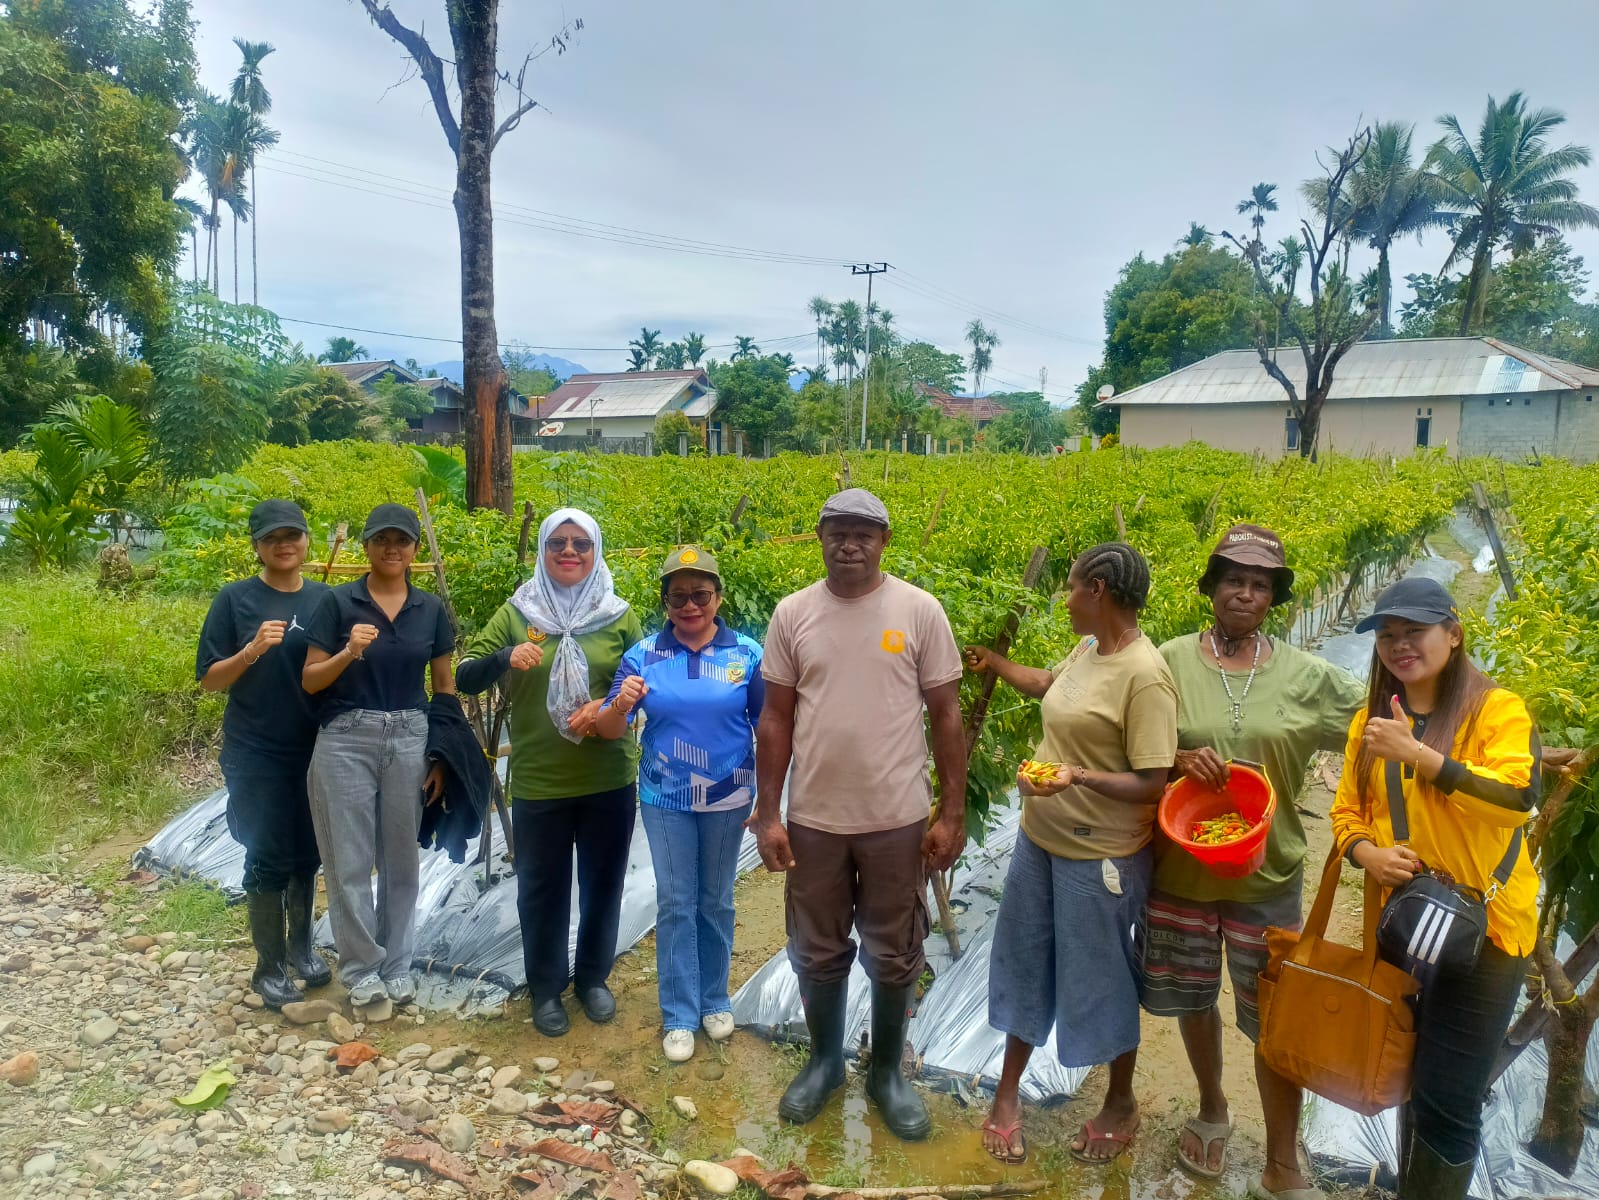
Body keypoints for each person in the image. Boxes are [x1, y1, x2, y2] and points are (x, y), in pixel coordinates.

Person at [1139, 525, 1366, 1194]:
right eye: (1233, 579)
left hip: (1265, 875)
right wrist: (1174, 758)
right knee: (1191, 997)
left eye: (1259, 584)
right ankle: (1211, 1107)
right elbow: (1122, 734)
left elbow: (1376, 725)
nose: (1244, 592)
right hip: (1179, 869)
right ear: (1210, 589)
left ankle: (1281, 1153)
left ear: (1273, 599)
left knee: (1274, 1015)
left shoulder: (1304, 675)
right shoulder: (1167, 662)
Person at [753, 488, 967, 1143]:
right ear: (818, 537)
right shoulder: (794, 614)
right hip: (815, 817)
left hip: (895, 818)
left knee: (895, 947)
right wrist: (768, 813)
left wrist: (950, 813)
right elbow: (775, 716)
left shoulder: (918, 610)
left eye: (863, 534)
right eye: (837, 532)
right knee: (816, 947)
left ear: (884, 540)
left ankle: (885, 1073)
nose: (849, 544)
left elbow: (947, 715)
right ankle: (823, 1063)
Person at [966, 542, 1177, 1167]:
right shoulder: (1089, 649)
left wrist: (1076, 777)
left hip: (1101, 856)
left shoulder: (1146, 675)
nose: (1063, 600)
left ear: (1100, 593)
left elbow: (1152, 781)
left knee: (1100, 977)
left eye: (1071, 588)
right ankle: (1008, 1097)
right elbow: (1047, 688)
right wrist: (996, 663)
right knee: (1025, 961)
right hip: (1041, 841)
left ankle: (1119, 1102)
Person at [1330, 578, 1539, 1200]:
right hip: (1409, 927)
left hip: (1489, 935)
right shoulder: (1369, 724)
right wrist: (1370, 854)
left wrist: (1421, 756)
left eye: (1414, 632)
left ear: (1453, 634)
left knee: (1450, 1100)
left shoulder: (1497, 711)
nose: (1399, 646)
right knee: (1404, 1072)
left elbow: (1515, 802)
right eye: (1387, 635)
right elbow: (1346, 815)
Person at [456, 509, 642, 1037]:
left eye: (581, 544)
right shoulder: (519, 613)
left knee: (603, 883)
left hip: (608, 775)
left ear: (596, 551)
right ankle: (545, 990)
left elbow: (641, 679)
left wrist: (607, 704)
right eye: (558, 542)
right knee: (542, 888)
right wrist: (503, 658)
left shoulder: (617, 615)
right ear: (542, 549)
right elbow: (467, 674)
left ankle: (591, 980)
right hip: (540, 779)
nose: (569, 552)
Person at [593, 546, 765, 1062]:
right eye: (678, 596)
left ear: (718, 597)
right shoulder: (643, 655)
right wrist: (622, 703)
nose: (690, 605)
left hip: (729, 796)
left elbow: (768, 724)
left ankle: (715, 998)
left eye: (700, 595)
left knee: (715, 900)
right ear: (665, 601)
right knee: (675, 902)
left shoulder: (747, 654)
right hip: (665, 798)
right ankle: (679, 1013)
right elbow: (607, 729)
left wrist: (772, 797)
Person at [302, 503, 454, 1008]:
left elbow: (444, 688)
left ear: (414, 549)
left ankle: (397, 964)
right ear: (366, 546)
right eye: (382, 539)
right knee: (348, 859)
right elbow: (311, 678)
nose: (393, 548)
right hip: (346, 735)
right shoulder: (337, 602)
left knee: (402, 860)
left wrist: (440, 756)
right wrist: (348, 651)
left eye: (403, 540)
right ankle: (361, 968)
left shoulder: (430, 609)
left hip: (410, 735)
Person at [196, 500, 333, 1010]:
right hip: (256, 750)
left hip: (315, 748)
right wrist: (250, 651)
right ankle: (268, 968)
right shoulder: (235, 600)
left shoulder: (325, 600)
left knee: (309, 853)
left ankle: (302, 949)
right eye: (272, 537)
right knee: (268, 855)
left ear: (306, 541)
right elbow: (210, 680)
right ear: (256, 545)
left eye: (293, 535)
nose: (284, 544)